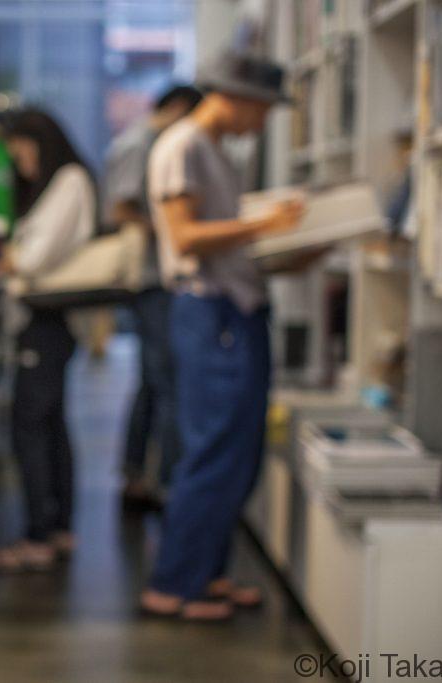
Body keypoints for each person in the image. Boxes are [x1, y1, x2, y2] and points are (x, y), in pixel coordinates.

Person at [138, 53, 308, 621]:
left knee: (238, 451)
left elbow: (228, 244)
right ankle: (174, 584)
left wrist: (296, 245)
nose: (263, 122)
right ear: (235, 97)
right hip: (210, 315)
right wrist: (268, 224)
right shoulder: (181, 146)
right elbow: (184, 237)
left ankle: (205, 574)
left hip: (236, 310)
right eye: (262, 108)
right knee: (212, 449)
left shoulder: (215, 152)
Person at [0, 109, 97, 572]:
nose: (20, 164)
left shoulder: (69, 180)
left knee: (31, 427)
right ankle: (56, 527)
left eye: (22, 153)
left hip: (46, 321)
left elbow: (37, 257)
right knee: (50, 424)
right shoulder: (65, 181)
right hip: (46, 322)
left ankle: (38, 537)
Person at [104, 85, 203, 509]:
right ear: (178, 109)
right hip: (150, 278)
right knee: (166, 382)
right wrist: (174, 228)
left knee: (152, 382)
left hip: (156, 279)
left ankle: (137, 476)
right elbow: (119, 208)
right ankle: (164, 485)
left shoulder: (151, 142)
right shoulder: (140, 144)